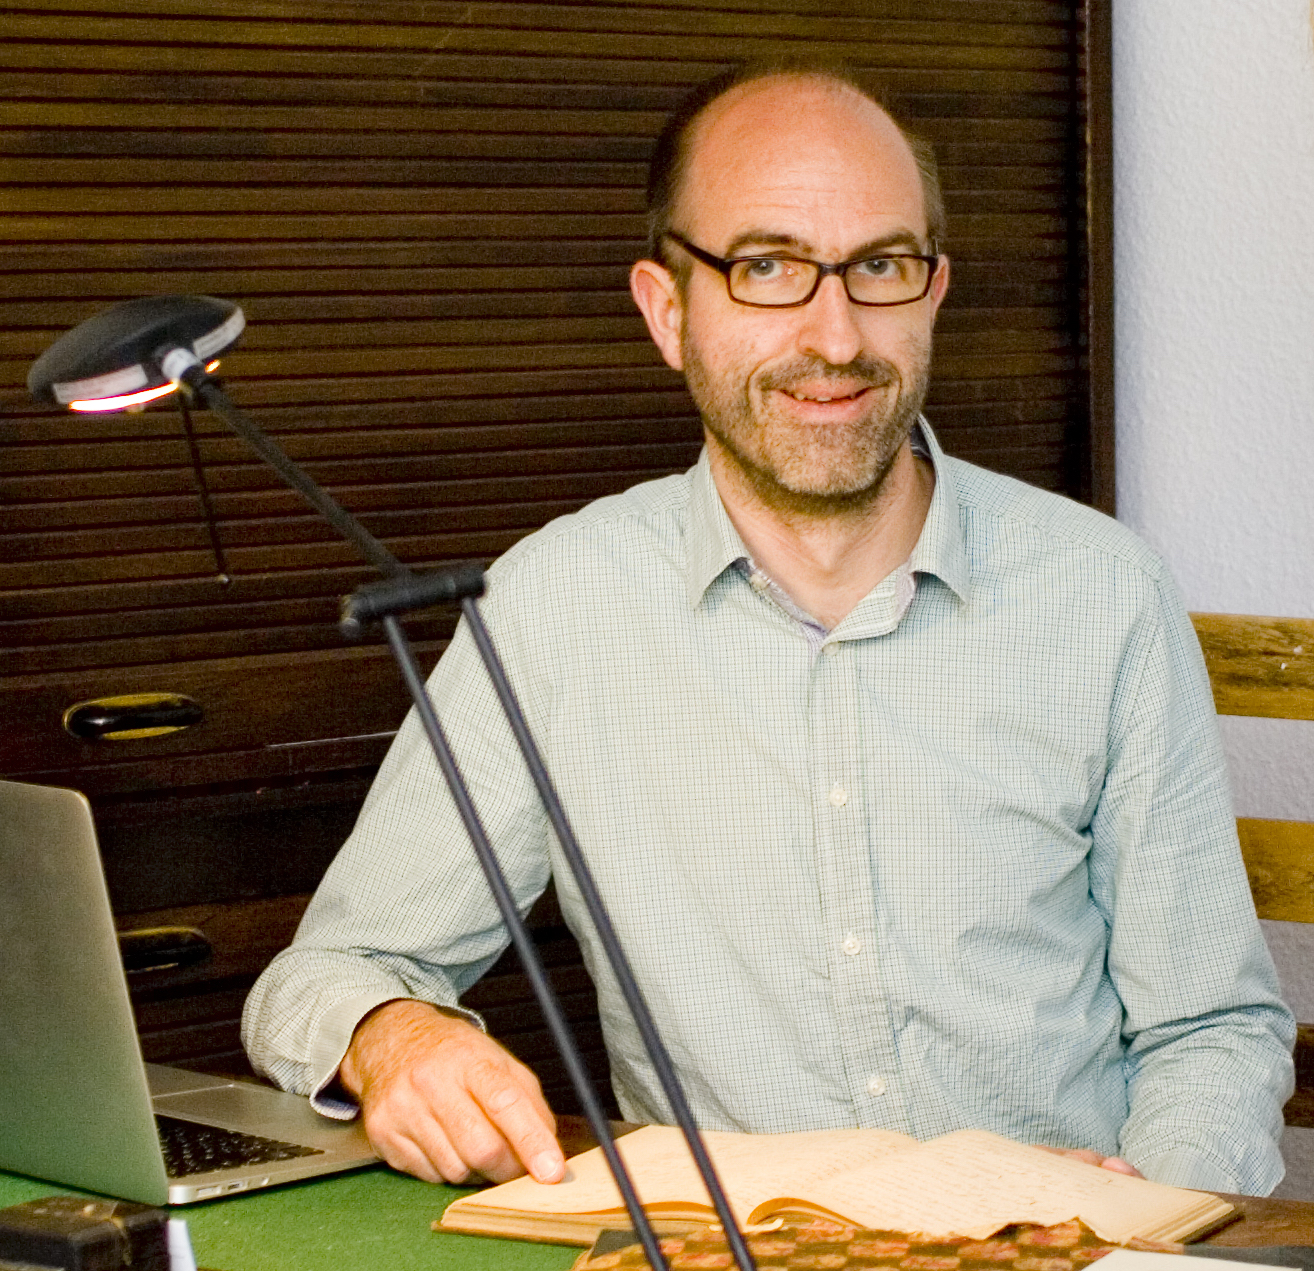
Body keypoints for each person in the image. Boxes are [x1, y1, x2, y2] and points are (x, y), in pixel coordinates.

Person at [242, 60, 1294, 1197]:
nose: (835, 337)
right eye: (769, 269)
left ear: (933, 291)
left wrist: (1144, 1229)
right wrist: (397, 1034)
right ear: (667, 308)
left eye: (880, 266)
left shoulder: (1105, 591)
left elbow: (1212, 1030)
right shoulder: (549, 607)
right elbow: (328, 974)